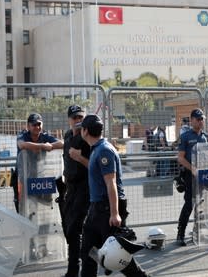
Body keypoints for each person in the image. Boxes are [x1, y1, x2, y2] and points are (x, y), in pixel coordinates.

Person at [78, 114, 149, 277]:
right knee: (88, 251)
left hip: (107, 208)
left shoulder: (104, 150)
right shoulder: (97, 149)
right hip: (96, 208)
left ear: (85, 131)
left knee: (118, 256)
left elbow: (111, 183)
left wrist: (115, 213)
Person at [61, 105, 91, 277]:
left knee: (75, 230)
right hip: (70, 189)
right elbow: (66, 161)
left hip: (84, 189)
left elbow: (94, 166)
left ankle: (74, 270)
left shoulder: (87, 137)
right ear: (69, 120)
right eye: (74, 118)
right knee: (68, 229)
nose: (78, 120)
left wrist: (79, 156)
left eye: (80, 117)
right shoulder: (67, 136)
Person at [15, 113, 63, 212]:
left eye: (39, 124)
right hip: (23, 177)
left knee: (45, 205)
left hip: (40, 176)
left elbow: (61, 143)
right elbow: (21, 145)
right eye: (34, 125)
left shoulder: (45, 136)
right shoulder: (23, 135)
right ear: (28, 126)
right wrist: (42, 146)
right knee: (23, 204)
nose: (37, 127)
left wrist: (50, 146)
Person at [175, 108, 208, 246]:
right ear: (192, 120)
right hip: (190, 175)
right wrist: (193, 169)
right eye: (198, 119)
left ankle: (197, 231)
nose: (200, 122)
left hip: (202, 175)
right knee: (189, 204)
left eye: (202, 119)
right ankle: (180, 234)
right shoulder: (185, 136)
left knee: (201, 203)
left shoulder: (204, 137)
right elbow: (180, 158)